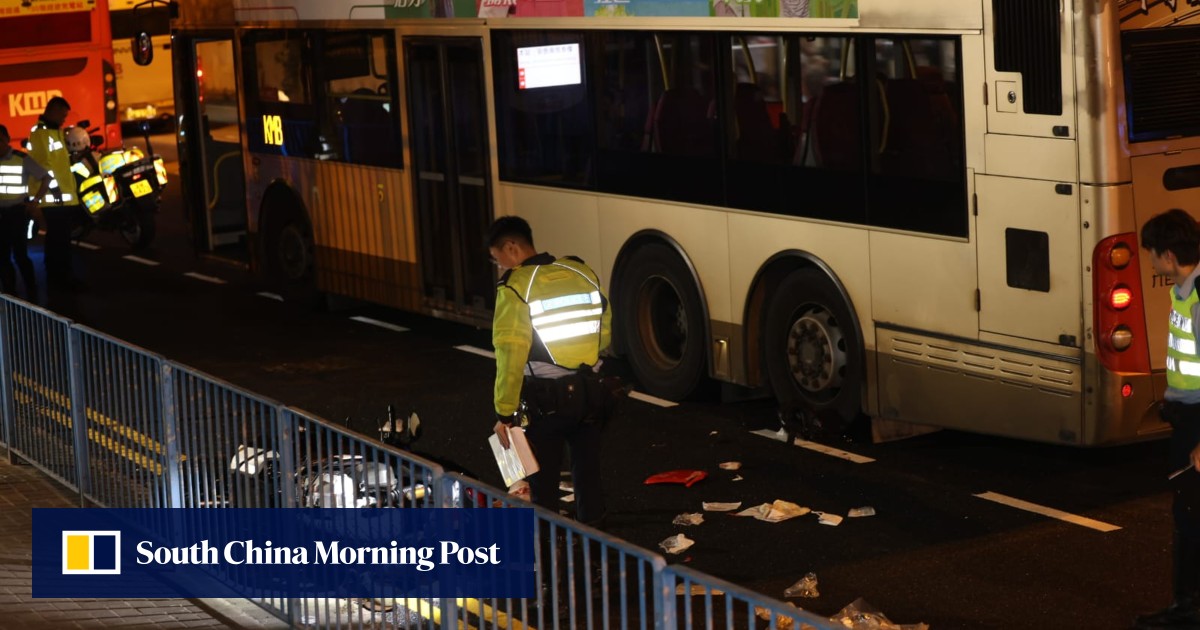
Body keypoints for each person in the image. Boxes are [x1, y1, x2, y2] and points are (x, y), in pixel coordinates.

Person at [489, 215, 612, 527]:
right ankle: (594, 544)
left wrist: (505, 412)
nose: (501, 266)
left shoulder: (515, 288)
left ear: (512, 248)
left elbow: (510, 355)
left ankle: (549, 552)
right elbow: (606, 330)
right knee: (588, 475)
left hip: (548, 401)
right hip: (591, 392)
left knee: (543, 484)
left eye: (498, 259)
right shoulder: (580, 271)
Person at [1138, 208, 1200, 629]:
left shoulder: (1198, 297)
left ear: (1169, 256)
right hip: (1187, 416)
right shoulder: (1185, 290)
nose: (1150, 262)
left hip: (1197, 423)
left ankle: (1189, 610)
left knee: (1191, 516)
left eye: (1152, 255)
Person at [28, 96, 84, 290]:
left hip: (61, 198)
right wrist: (56, 191)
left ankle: (58, 277)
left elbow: (59, 164)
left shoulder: (53, 131)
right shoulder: (42, 133)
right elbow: (45, 167)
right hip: (54, 199)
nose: (64, 119)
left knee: (59, 240)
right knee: (59, 242)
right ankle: (61, 278)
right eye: (63, 114)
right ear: (53, 110)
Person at [0, 124, 52, 301]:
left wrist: (35, 201)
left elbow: (46, 177)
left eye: (0, 140)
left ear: (7, 139)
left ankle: (32, 292)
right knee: (2, 257)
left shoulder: (21, 158)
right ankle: (10, 295)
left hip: (17, 214)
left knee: (20, 255)